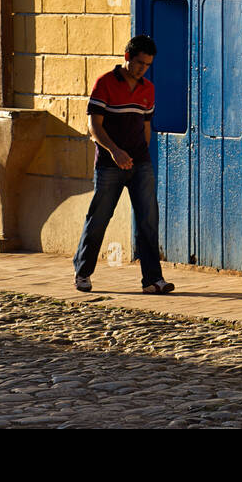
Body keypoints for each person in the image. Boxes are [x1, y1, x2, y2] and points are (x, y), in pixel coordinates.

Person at [73, 35, 174, 294]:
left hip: (140, 165)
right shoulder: (105, 84)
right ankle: (83, 272)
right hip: (109, 165)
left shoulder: (148, 89)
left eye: (148, 65)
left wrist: (141, 155)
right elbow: (94, 125)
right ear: (128, 57)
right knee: (99, 218)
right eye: (139, 63)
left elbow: (146, 126)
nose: (142, 69)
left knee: (149, 220)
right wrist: (115, 151)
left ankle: (152, 280)